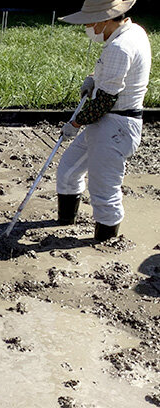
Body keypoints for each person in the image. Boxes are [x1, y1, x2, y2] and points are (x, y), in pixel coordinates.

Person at [56, 0, 150, 242]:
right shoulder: (132, 31)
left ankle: (105, 241)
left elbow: (104, 101)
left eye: (90, 20)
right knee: (68, 169)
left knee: (103, 188)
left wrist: (74, 124)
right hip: (105, 122)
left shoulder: (120, 46)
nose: (87, 25)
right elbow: (116, 75)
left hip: (115, 125)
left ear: (106, 19)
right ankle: (65, 220)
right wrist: (93, 80)